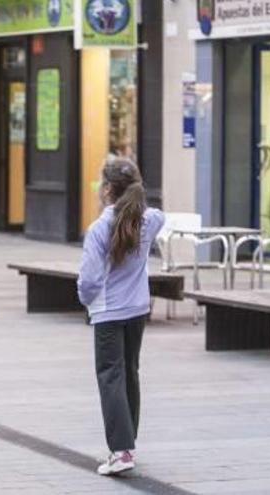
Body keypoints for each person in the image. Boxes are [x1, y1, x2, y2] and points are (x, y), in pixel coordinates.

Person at [77, 158, 165, 476]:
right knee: (129, 372)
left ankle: (121, 451)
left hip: (107, 312)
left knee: (111, 377)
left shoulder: (100, 228)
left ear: (108, 189)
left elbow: (88, 280)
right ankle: (128, 444)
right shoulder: (149, 221)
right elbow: (157, 215)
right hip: (137, 310)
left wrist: (86, 301)